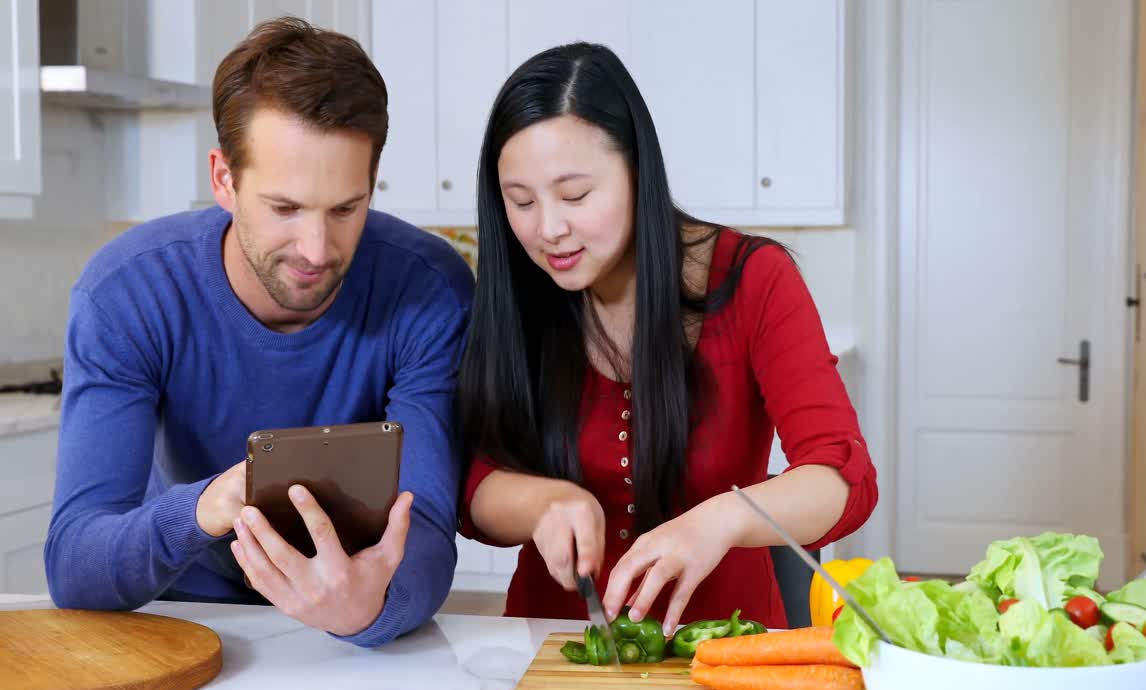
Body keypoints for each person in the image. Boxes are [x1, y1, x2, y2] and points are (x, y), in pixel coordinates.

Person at [43, 17, 473, 648]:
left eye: (346, 208)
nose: (317, 248)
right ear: (224, 179)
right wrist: (206, 508)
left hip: (361, 625)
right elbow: (75, 564)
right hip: (186, 620)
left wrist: (368, 606)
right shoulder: (125, 294)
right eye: (285, 208)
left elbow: (430, 531)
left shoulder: (430, 288)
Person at [456, 42, 878, 636]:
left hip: (730, 647)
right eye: (520, 201)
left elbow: (845, 477)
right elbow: (471, 483)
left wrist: (723, 519)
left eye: (575, 195)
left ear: (637, 172)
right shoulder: (520, 290)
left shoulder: (754, 278)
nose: (548, 229)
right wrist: (543, 503)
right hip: (553, 646)